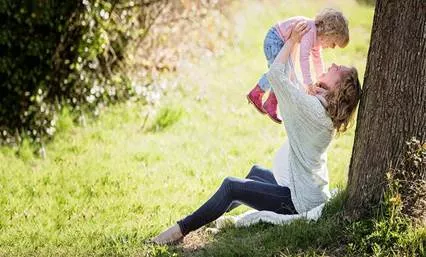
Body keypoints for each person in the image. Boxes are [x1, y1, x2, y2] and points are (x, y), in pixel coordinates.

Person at [152, 22, 361, 245]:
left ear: (337, 88)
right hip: (305, 190)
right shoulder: (319, 108)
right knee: (254, 173)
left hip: (298, 201)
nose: (334, 64)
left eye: (338, 70)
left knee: (232, 186)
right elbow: (297, 88)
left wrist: (290, 41)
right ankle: (210, 214)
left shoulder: (312, 110)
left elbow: (276, 75)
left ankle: (179, 231)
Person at [247, 8, 349, 124]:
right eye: (334, 43)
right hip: (274, 40)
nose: (332, 47)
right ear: (330, 33)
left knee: (284, 73)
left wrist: (320, 78)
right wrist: (308, 82)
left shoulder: (317, 38)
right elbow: (304, 58)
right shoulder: (310, 30)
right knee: (279, 72)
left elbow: (317, 60)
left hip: (281, 43)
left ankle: (271, 102)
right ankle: (257, 92)